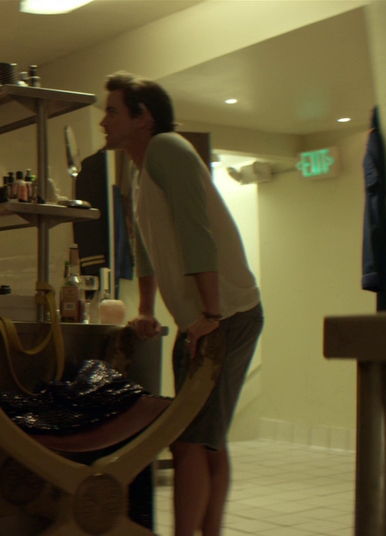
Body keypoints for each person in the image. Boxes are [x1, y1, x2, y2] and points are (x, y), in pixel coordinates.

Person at [101, 72, 264, 535]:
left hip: (226, 313)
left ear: (143, 117)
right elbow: (146, 246)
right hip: (206, 318)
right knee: (205, 440)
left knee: (192, 441)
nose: (103, 121)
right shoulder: (142, 169)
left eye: (112, 111)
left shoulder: (168, 149)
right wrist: (147, 309)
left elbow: (197, 232)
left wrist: (211, 315)